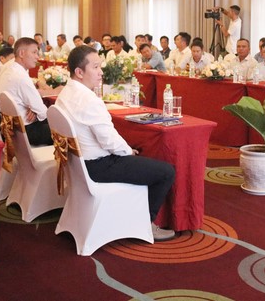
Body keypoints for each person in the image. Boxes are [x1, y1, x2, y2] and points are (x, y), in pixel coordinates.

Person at [56, 46, 176, 241]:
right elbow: (109, 141)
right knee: (166, 172)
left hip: (77, 165)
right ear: (79, 72)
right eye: (95, 67)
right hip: (98, 166)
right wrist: (128, 151)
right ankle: (146, 223)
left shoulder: (65, 94)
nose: (101, 72)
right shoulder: (89, 100)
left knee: (137, 154)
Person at [0, 37, 61, 146]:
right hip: (24, 131)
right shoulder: (20, 77)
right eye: (34, 52)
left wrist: (34, 109)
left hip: (8, 125)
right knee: (66, 129)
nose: (37, 57)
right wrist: (36, 110)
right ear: (21, 53)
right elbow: (43, 113)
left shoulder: (8, 67)